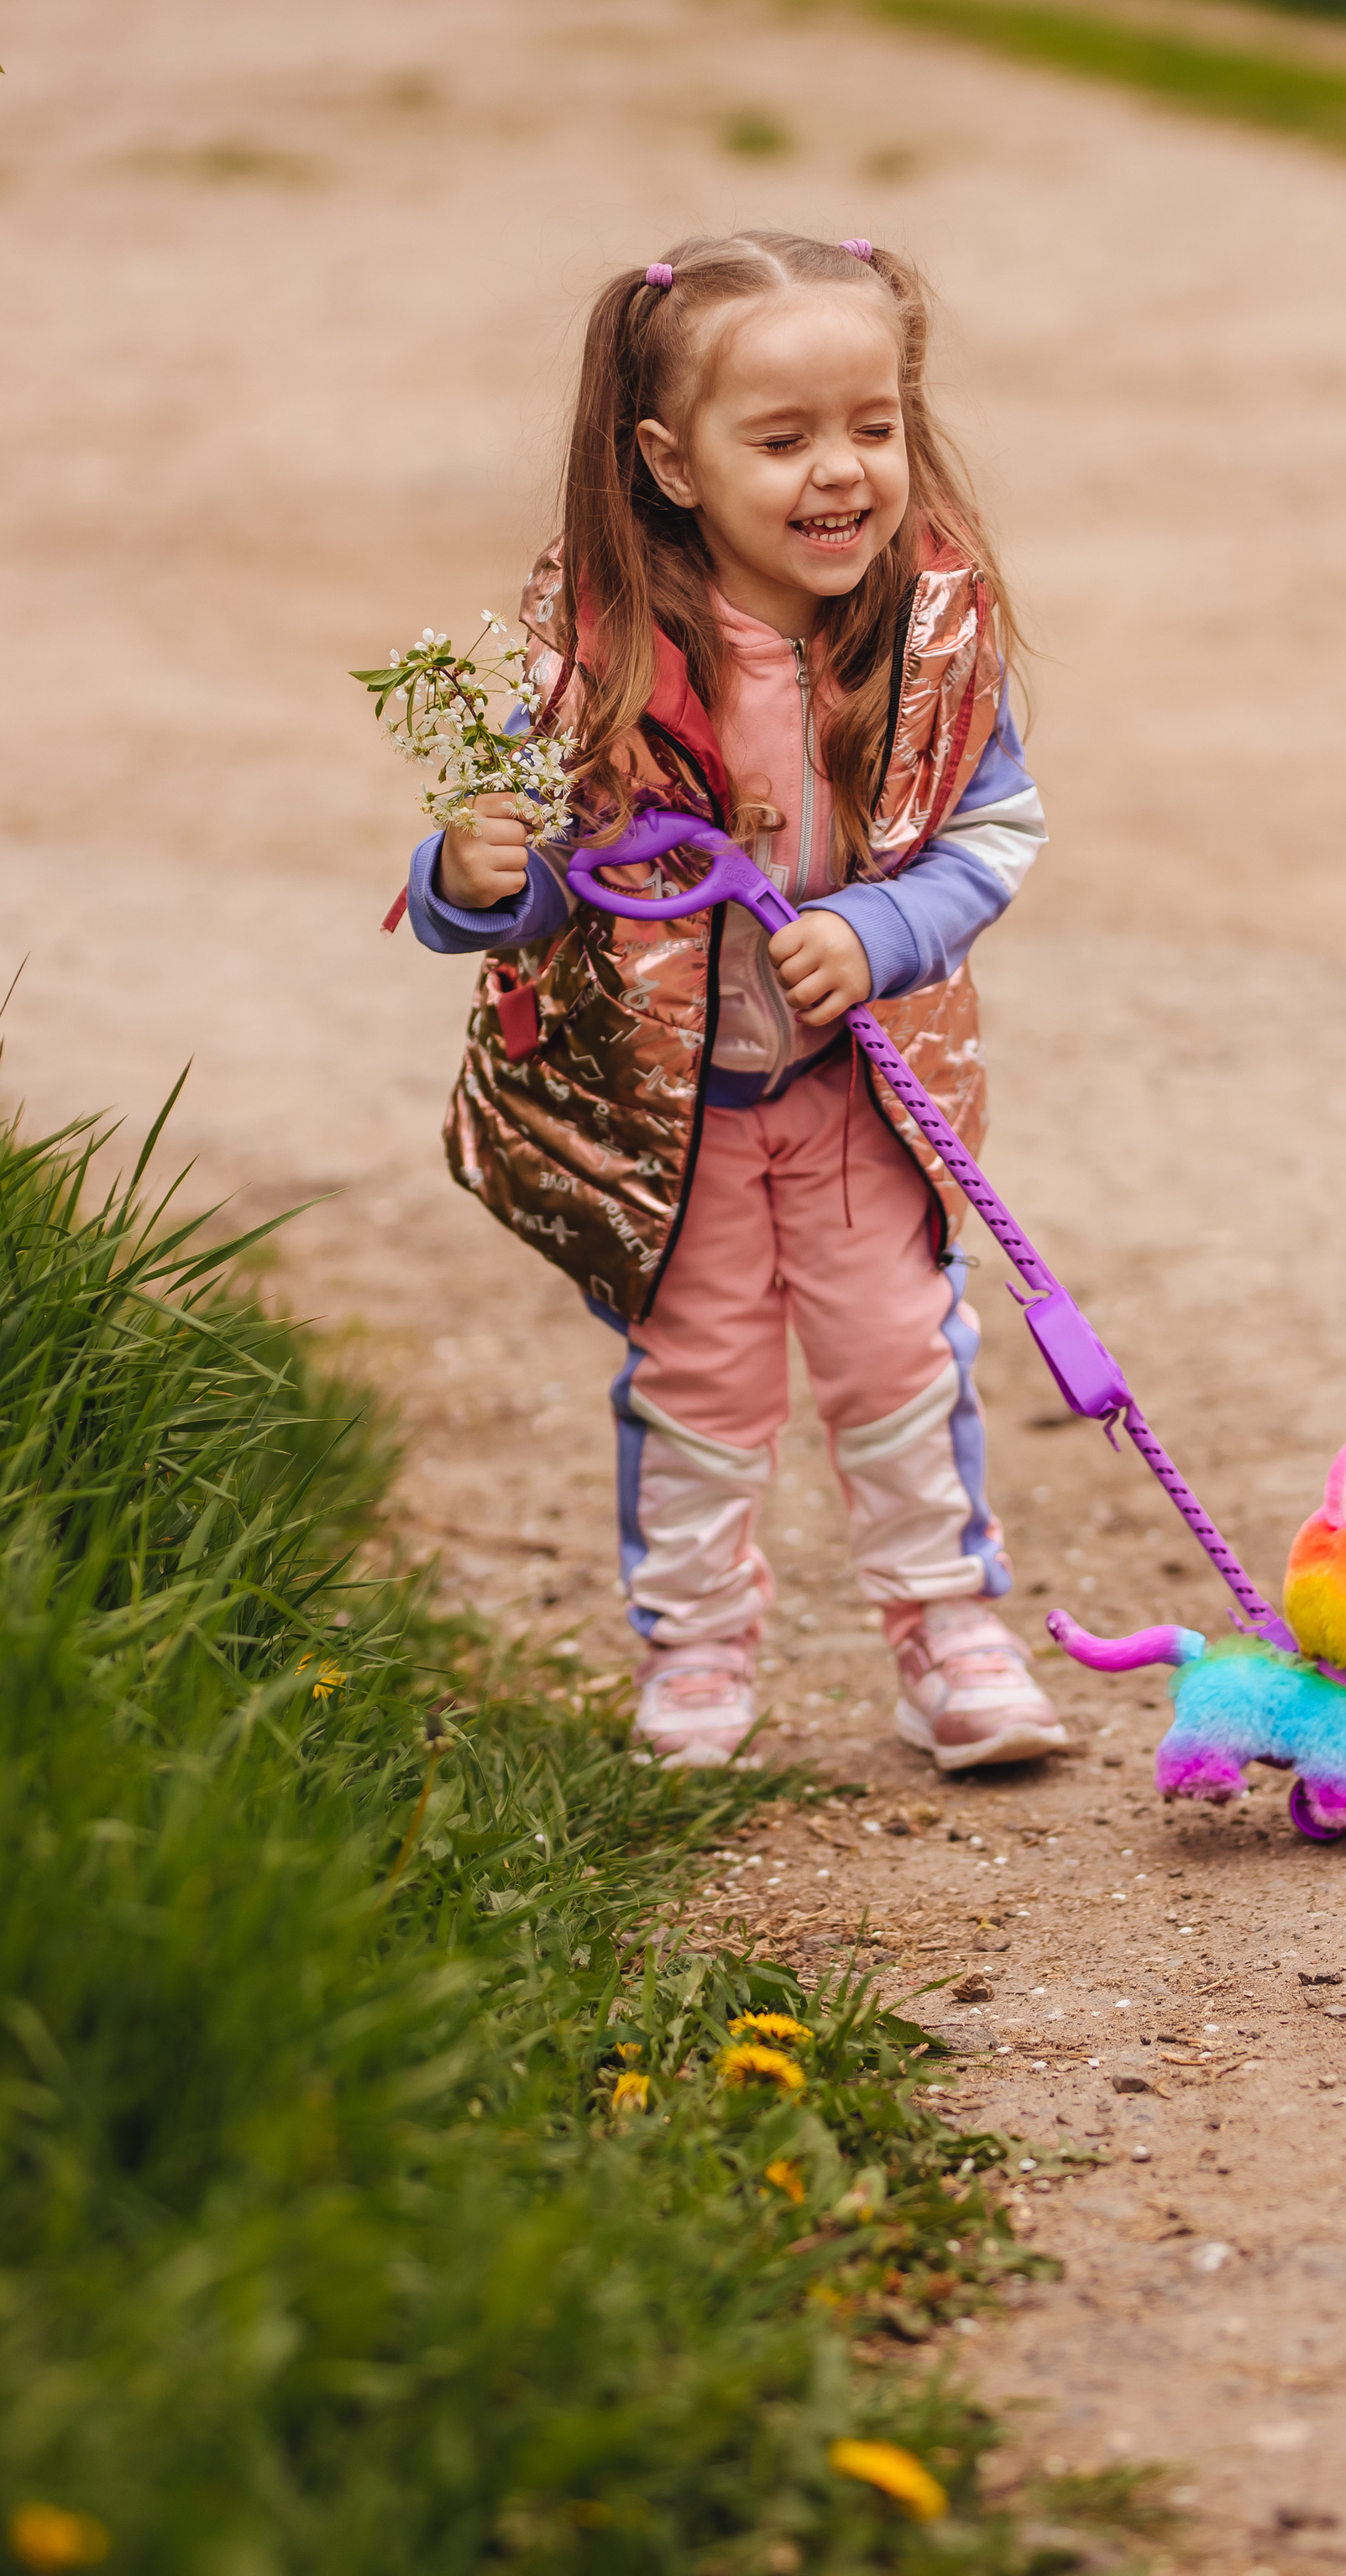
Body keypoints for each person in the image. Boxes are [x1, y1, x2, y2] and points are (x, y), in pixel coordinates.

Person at [402, 228, 1067, 1775]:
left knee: (902, 1351)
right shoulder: (591, 663)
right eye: (783, 440)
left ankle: (948, 1632)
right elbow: (532, 885)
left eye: (874, 427)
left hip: (861, 1095)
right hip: (676, 1113)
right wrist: (476, 872)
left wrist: (885, 927)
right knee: (698, 1379)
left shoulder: (929, 642)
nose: (841, 472)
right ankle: (698, 1650)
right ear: (671, 462)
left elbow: (997, 829)